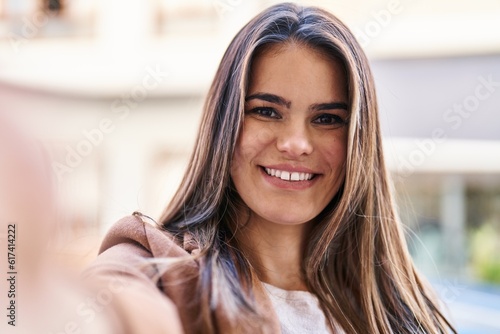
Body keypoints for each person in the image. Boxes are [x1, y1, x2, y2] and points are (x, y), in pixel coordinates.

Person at [85, 2, 456, 333]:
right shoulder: (153, 265)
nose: (296, 143)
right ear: (224, 125)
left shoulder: (409, 308)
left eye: (327, 118)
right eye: (266, 111)